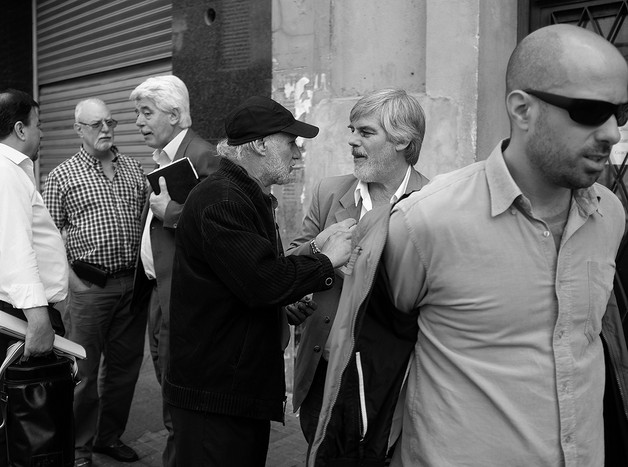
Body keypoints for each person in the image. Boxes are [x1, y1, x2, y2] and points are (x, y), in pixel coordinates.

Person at [308, 24, 628, 467]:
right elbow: (365, 370)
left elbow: (601, 349)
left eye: (621, 113)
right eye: (591, 110)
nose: (612, 132)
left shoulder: (609, 215)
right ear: (522, 110)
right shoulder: (425, 222)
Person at [164, 96, 355, 467]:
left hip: (235, 389)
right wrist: (328, 259)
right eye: (291, 143)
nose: (298, 154)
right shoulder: (223, 199)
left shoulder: (245, 195)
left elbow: (244, 277)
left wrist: (281, 305)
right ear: (261, 144)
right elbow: (262, 281)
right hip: (216, 395)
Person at [288, 88, 428, 445]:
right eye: (352, 130)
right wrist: (319, 247)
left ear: (402, 140)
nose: (351, 141)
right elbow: (289, 264)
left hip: (393, 375)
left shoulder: (434, 202)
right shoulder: (329, 192)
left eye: (365, 132)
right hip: (325, 369)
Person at [0, 89, 68, 467]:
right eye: (39, 125)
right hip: (15, 316)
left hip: (2, 312)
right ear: (20, 129)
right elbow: (14, 250)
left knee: (9, 418)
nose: (42, 134)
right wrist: (38, 319)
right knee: (29, 425)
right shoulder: (2, 174)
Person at [42, 98, 148, 467]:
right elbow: (49, 237)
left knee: (124, 370)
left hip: (132, 286)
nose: (105, 129)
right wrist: (72, 283)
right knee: (83, 375)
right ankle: (78, 451)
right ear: (79, 130)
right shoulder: (61, 177)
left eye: (110, 122)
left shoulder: (135, 170)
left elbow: (146, 223)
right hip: (89, 290)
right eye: (95, 124)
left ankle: (108, 438)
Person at [128, 75, 219, 467]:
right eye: (137, 113)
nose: (138, 122)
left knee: (181, 394)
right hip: (158, 293)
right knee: (168, 384)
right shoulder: (163, 158)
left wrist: (175, 214)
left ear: (176, 115)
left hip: (184, 299)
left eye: (146, 113)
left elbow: (225, 225)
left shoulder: (203, 156)